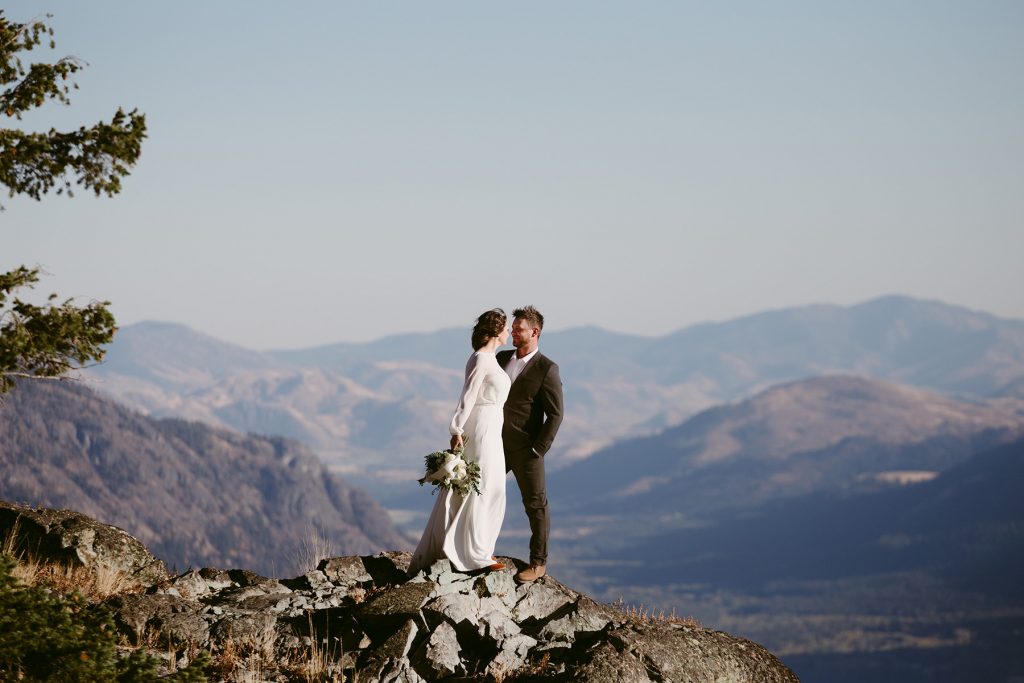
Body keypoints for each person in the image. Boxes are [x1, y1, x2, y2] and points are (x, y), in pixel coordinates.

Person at [409, 309, 511, 574]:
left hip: (492, 425)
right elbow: (467, 396)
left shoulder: (490, 359)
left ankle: (478, 547)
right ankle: (472, 553)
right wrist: (456, 428)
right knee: (482, 484)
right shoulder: (480, 359)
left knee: (493, 485)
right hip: (481, 427)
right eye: (506, 327)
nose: (509, 332)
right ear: (496, 330)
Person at [496, 306, 564, 584]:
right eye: (512, 328)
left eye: (518, 329)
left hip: (527, 450)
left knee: (535, 506)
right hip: (494, 444)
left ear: (534, 332)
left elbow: (556, 414)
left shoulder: (547, 368)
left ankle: (538, 564)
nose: (513, 332)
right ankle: (474, 551)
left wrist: (538, 449)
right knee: (479, 494)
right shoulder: (501, 359)